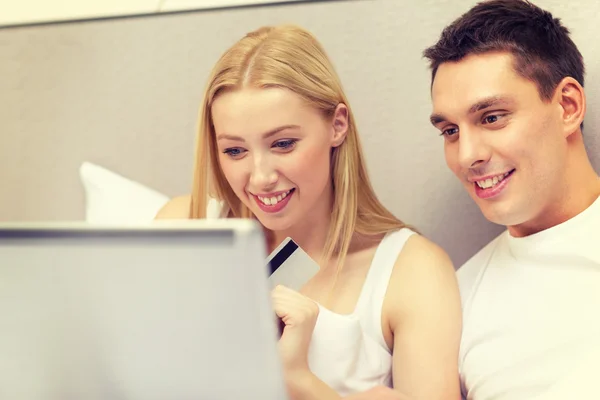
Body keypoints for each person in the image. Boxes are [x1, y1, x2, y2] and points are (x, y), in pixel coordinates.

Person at [156, 24, 462, 399]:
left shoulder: (412, 271)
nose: (261, 177)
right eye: (235, 151)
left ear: (337, 125)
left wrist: (300, 380)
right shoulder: (185, 226)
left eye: (283, 144)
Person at [424, 0, 600, 399]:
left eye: (491, 117)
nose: (467, 155)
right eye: (450, 130)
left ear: (567, 107)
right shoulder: (452, 304)